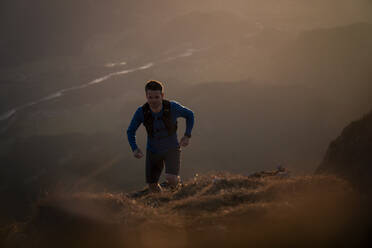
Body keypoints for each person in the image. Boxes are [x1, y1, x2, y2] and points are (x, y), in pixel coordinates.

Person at [126, 80, 195, 193]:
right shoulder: (141, 112)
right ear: (146, 96)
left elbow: (190, 114)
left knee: (171, 178)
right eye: (150, 97)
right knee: (152, 186)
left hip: (172, 148)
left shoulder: (172, 107)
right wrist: (134, 148)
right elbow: (130, 131)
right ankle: (164, 202)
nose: (153, 100)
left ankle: (181, 194)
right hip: (153, 151)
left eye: (157, 97)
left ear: (162, 95)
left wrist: (187, 135)